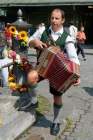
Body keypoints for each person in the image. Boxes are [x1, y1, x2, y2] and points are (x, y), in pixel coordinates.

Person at [27, 8, 80, 136]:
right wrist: (36, 42)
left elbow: (73, 57)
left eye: (57, 18)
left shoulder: (67, 38)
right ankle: (34, 100)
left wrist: (76, 75)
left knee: (57, 97)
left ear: (62, 20)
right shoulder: (42, 30)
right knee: (30, 77)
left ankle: (55, 122)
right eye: (52, 18)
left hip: (57, 71)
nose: (54, 21)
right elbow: (29, 42)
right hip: (43, 66)